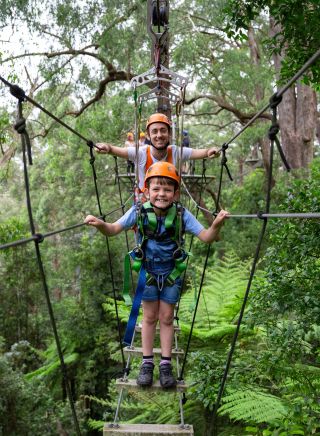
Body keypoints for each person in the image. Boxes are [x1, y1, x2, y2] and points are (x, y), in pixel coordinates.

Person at [84, 162, 229, 388]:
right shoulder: (138, 211)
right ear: (146, 191)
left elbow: (207, 237)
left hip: (172, 271)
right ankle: (147, 363)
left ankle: (165, 365)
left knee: (167, 317)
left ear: (176, 193)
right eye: (156, 188)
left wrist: (217, 225)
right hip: (148, 271)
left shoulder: (182, 214)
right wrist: (100, 224)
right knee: (150, 317)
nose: (162, 193)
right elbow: (113, 230)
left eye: (167, 189)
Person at [95, 113, 220, 190]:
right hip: (144, 207)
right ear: (148, 136)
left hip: (169, 205)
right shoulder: (141, 153)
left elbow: (202, 152)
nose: (159, 135)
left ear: (169, 134)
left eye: (163, 130)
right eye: (154, 131)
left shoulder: (176, 152)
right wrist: (106, 147)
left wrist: (211, 151)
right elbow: (114, 150)